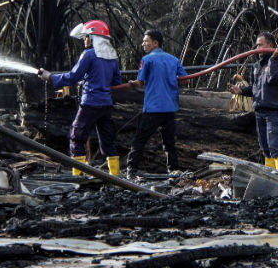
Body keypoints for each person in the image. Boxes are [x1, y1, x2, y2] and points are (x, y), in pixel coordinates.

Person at [39, 20, 122, 176]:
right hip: (105, 104)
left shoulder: (89, 54)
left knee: (76, 137)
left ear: (93, 37)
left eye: (86, 37)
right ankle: (115, 178)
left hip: (90, 103)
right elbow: (116, 81)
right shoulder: (112, 56)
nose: (85, 40)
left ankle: (78, 176)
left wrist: (51, 77)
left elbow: (73, 76)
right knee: (107, 141)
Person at [124, 29, 188, 178]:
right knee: (169, 141)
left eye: (146, 41)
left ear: (155, 43)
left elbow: (140, 82)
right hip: (170, 107)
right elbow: (185, 79)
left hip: (153, 107)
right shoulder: (173, 60)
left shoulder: (147, 60)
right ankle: (173, 169)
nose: (143, 44)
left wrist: (132, 83)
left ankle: (131, 169)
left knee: (139, 139)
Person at [229, 31, 278, 169]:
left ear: (270, 45)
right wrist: (241, 91)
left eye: (260, 45)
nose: (257, 49)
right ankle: (270, 175)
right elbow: (255, 88)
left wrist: (273, 59)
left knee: (275, 146)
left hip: (274, 112)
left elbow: (272, 78)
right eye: (256, 46)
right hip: (259, 111)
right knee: (265, 147)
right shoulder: (256, 66)